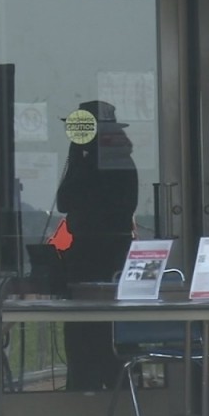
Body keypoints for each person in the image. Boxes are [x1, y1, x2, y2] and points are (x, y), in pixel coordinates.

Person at [56, 100, 139, 391]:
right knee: (81, 327)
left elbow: (110, 205)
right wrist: (77, 156)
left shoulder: (117, 162)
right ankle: (82, 384)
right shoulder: (85, 160)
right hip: (83, 253)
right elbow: (64, 201)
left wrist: (83, 161)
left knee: (104, 328)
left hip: (108, 253)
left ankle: (109, 384)